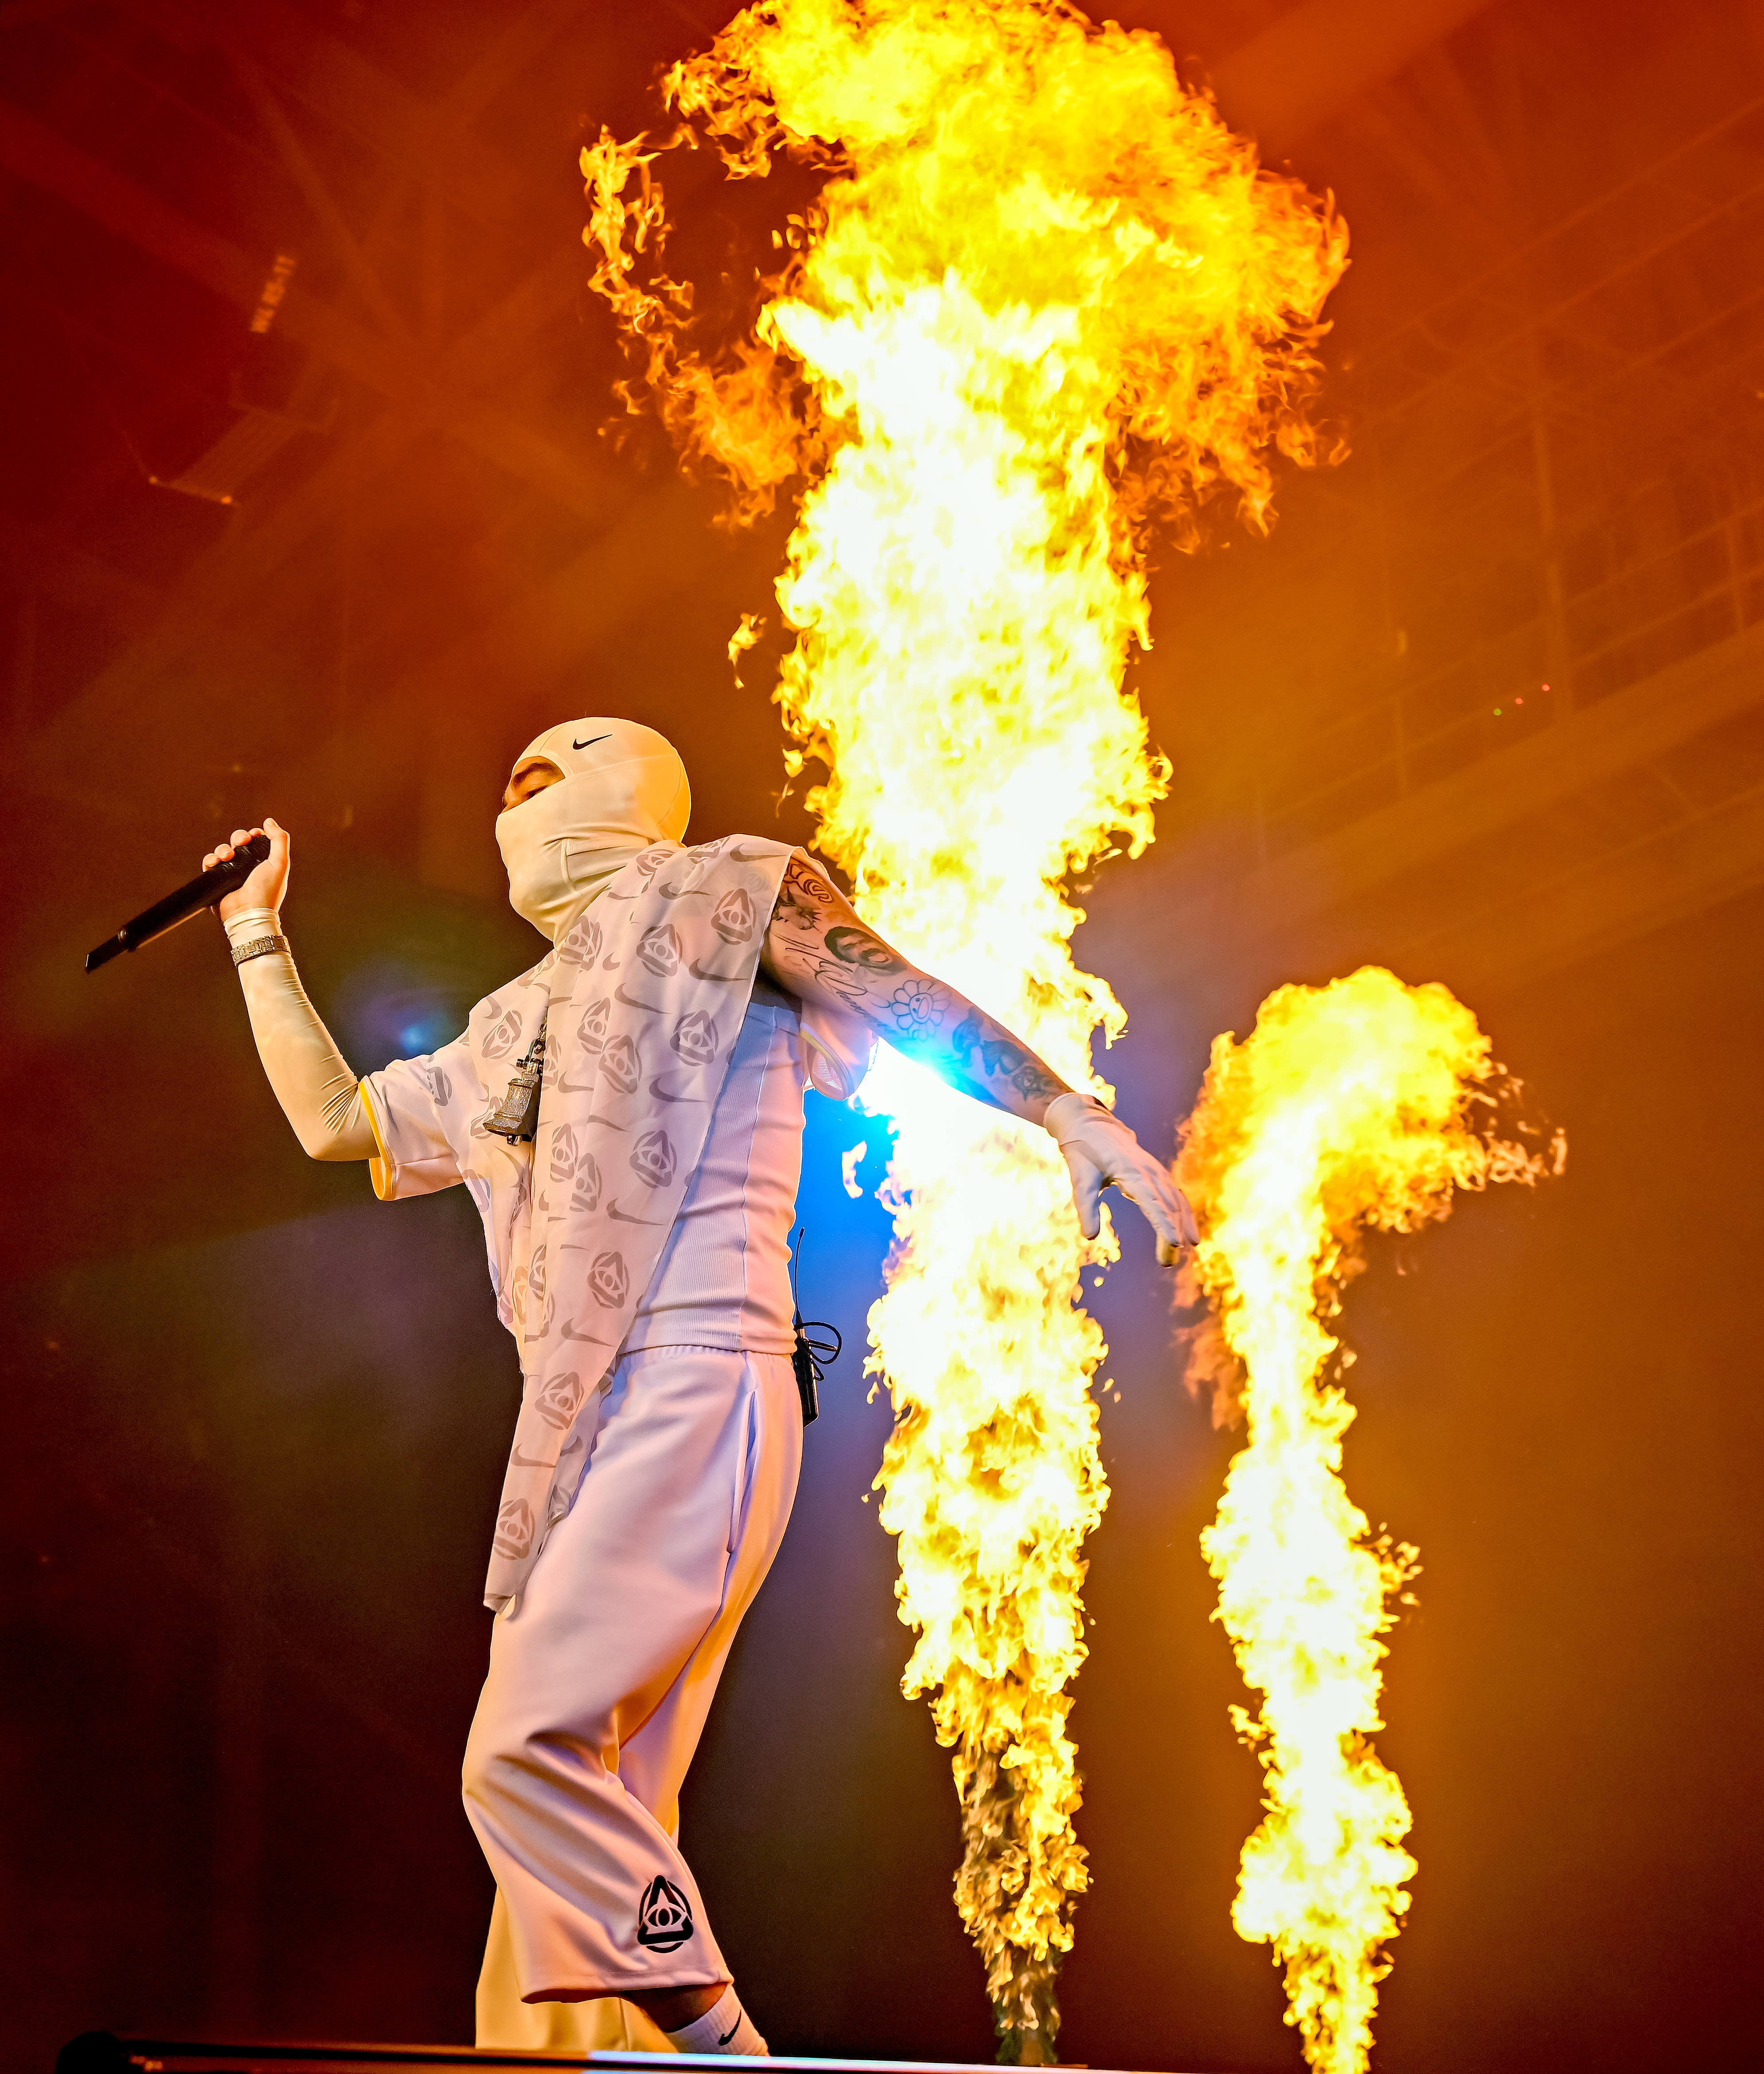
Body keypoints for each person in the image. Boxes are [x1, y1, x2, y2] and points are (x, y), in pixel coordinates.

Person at [206, 717, 1197, 2056]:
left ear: (630, 787)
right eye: (506, 775)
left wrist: (1065, 1110)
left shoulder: (726, 886)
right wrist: (257, 935)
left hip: (702, 1370)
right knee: (582, 1828)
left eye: (547, 769)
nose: (515, 789)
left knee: (526, 1752)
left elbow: (895, 990)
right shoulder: (510, 1021)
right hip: (579, 1420)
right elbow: (339, 1124)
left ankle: (730, 2053)